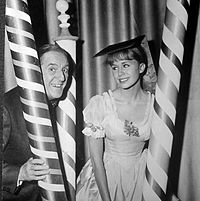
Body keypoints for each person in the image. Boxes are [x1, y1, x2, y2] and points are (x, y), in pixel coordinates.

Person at [76, 35, 157, 201]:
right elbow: (96, 160)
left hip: (141, 178)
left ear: (141, 67)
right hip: (105, 178)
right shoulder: (101, 104)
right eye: (114, 67)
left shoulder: (156, 104)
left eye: (126, 65)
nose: (119, 73)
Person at [2, 43, 75, 201]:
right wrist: (20, 172)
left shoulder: (62, 110)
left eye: (65, 70)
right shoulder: (6, 107)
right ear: (34, 71)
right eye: (52, 69)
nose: (62, 77)